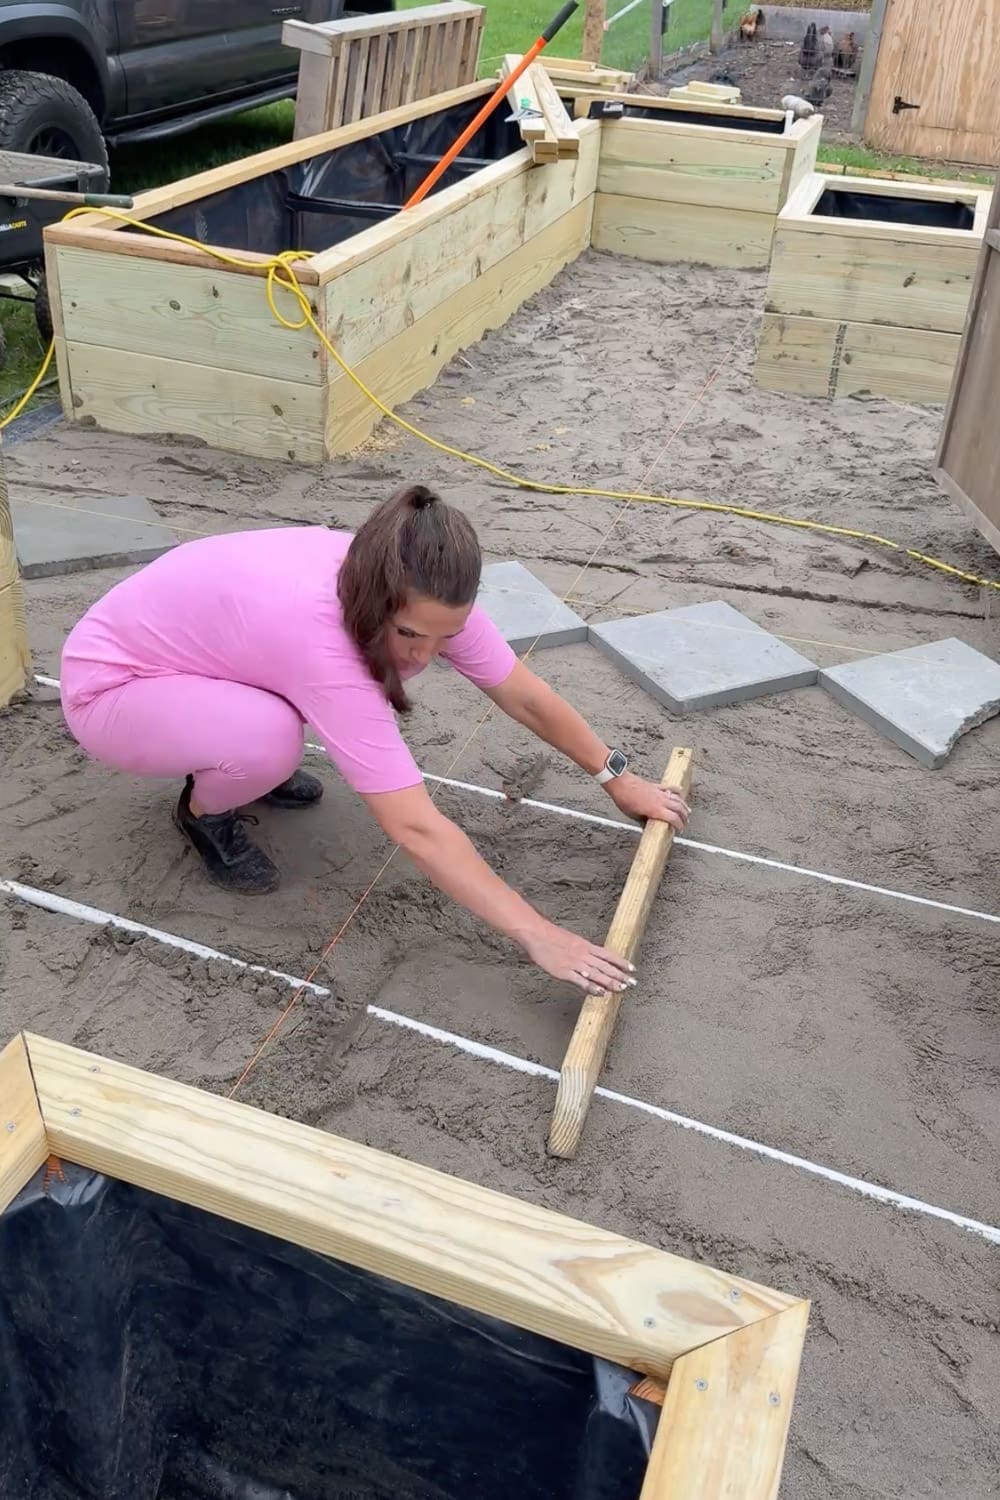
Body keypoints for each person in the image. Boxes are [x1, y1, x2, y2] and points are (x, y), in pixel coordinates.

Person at [61, 485, 689, 997]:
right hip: (113, 688)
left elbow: (521, 693)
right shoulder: (322, 638)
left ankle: (231, 749)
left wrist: (616, 774)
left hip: (205, 659)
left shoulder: (425, 591)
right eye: (412, 636)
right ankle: (204, 810)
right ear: (375, 598)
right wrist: (538, 934)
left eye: (447, 638)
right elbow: (413, 827)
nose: (426, 656)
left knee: (277, 727)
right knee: (269, 742)